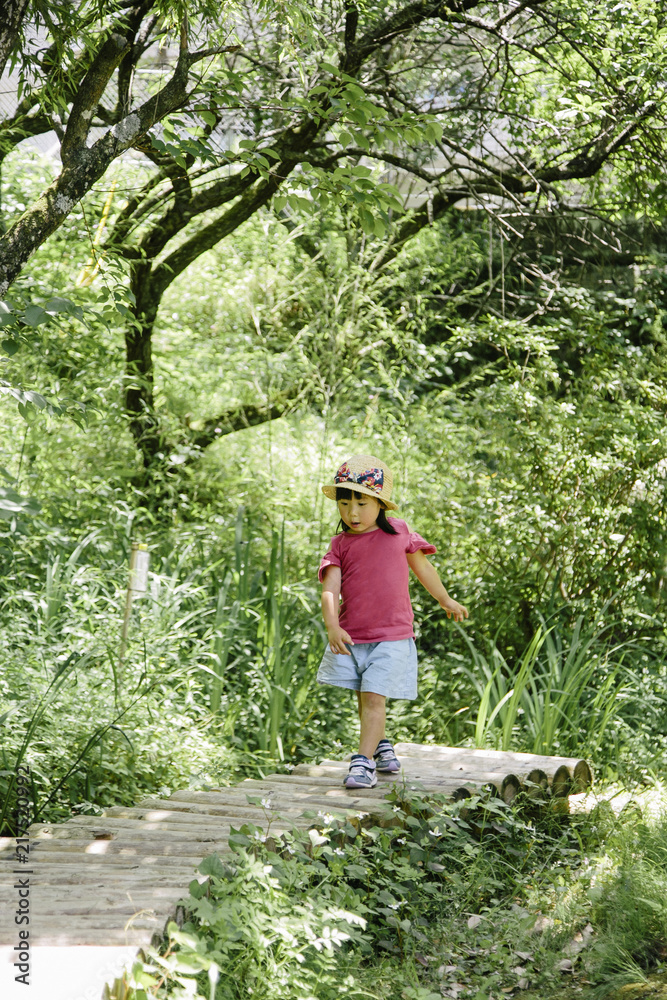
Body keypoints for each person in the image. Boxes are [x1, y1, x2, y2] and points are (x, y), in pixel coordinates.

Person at [317, 454, 469, 789]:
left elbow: (423, 568)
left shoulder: (399, 533)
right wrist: (332, 625)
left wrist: (445, 599)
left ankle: (363, 763)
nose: (352, 513)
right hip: (354, 637)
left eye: (362, 503)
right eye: (345, 504)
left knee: (374, 698)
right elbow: (330, 588)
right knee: (365, 697)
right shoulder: (340, 544)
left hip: (393, 636)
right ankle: (381, 745)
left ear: (381, 504)